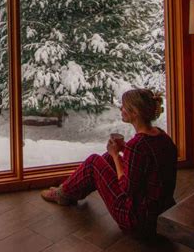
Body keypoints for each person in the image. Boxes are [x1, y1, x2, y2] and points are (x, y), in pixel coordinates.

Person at [41, 89, 177, 237]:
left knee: (94, 162)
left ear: (135, 112)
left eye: (124, 106)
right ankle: (68, 193)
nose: (121, 109)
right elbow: (148, 163)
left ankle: (62, 194)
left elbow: (126, 188)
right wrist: (122, 149)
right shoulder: (161, 136)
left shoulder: (137, 145)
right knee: (106, 158)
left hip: (139, 220)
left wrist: (116, 155)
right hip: (162, 212)